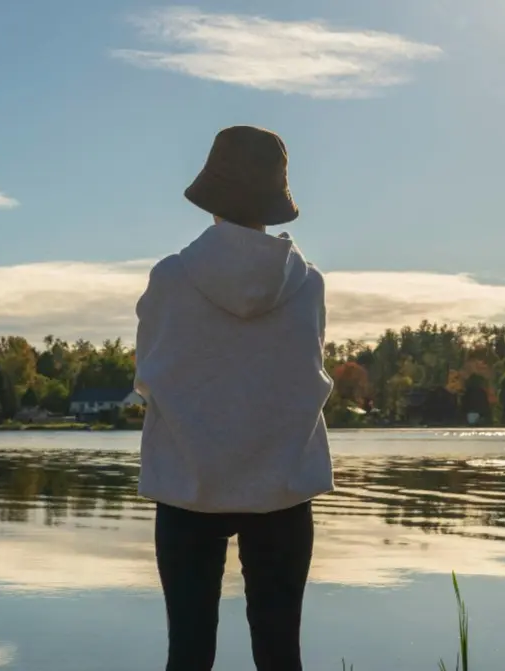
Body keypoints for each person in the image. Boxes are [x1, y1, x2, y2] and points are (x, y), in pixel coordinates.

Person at [133, 125, 335, 671]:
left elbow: (149, 375)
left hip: (187, 485)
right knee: (280, 655)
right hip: (285, 488)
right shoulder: (308, 283)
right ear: (274, 199)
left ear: (211, 198)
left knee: (189, 654)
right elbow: (303, 375)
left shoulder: (170, 278)